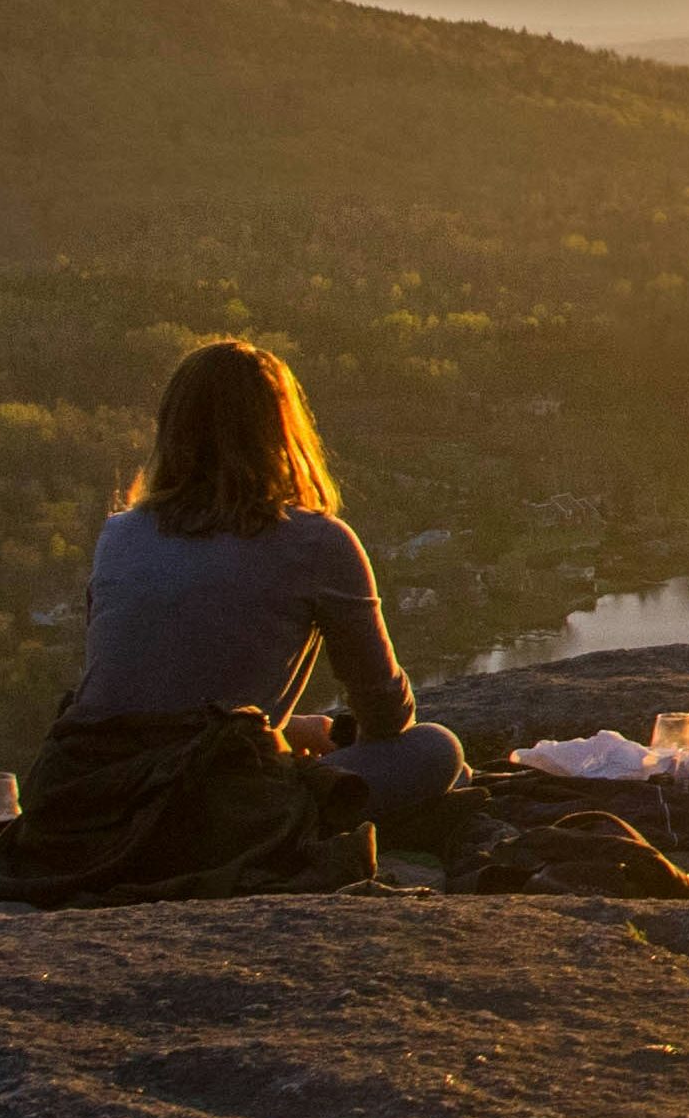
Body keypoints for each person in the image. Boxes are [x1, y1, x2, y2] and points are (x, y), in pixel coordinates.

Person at [64, 339, 468, 823]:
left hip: (93, 799)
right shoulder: (317, 541)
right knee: (436, 750)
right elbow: (386, 716)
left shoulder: (119, 534)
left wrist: (289, 730)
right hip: (215, 812)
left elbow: (150, 696)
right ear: (281, 429)